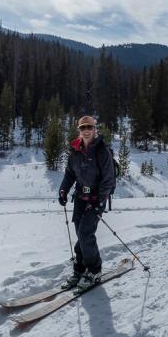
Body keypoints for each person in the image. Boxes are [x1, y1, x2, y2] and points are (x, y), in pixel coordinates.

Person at [58, 115, 116, 291]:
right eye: (83, 128)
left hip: (97, 200)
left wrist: (100, 202)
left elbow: (109, 179)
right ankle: (80, 270)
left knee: (85, 233)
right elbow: (69, 174)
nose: (86, 130)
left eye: (89, 127)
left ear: (94, 129)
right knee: (81, 235)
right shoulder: (75, 151)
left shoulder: (101, 151)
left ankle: (94, 270)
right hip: (80, 199)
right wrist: (63, 190)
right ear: (79, 130)